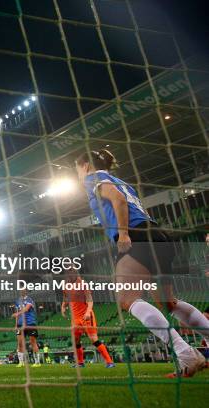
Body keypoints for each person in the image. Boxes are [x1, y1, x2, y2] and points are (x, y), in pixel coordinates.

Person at [75, 149, 207, 377]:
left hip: (136, 236)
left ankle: (186, 355)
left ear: (85, 165)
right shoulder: (121, 181)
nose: (77, 174)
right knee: (169, 304)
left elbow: (117, 199)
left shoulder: (92, 178)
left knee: (127, 299)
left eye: (76, 169)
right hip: (158, 235)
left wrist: (124, 234)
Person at [61, 268, 115, 368]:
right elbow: (66, 298)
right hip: (75, 319)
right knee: (76, 339)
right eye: (68, 272)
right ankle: (80, 363)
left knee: (93, 339)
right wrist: (63, 307)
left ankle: (109, 362)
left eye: (72, 272)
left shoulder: (82, 284)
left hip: (86, 316)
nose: (70, 274)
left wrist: (88, 312)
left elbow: (90, 300)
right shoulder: (65, 285)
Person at [13, 289, 41, 367]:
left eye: (23, 290)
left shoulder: (29, 299)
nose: (22, 291)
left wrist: (17, 313)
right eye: (20, 290)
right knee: (20, 343)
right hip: (20, 324)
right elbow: (18, 314)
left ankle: (37, 362)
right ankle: (21, 362)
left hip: (30, 323)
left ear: (26, 291)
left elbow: (26, 309)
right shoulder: (17, 301)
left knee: (33, 342)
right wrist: (16, 324)